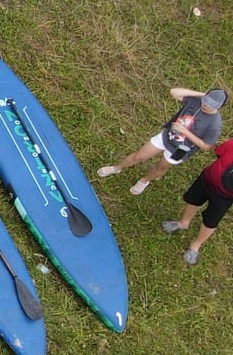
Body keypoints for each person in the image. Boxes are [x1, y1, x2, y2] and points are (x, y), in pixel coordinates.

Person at [99, 87, 226, 195]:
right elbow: (174, 92)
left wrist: (185, 131)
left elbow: (205, 146)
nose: (205, 105)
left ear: (218, 107)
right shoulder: (196, 101)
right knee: (139, 155)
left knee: (160, 168)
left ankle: (144, 181)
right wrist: (201, 95)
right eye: (205, 101)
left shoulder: (215, 124)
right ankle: (117, 168)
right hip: (166, 136)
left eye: (210, 105)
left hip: (180, 150)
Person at [165, 137, 233, 265]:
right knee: (193, 200)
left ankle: (196, 245)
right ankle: (183, 223)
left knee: (210, 221)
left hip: (224, 197)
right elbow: (219, 152)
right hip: (206, 179)